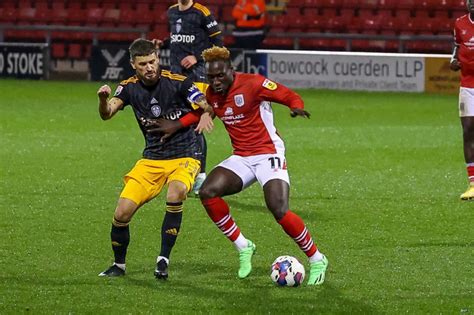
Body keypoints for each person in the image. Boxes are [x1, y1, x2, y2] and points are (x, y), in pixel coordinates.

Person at [199, 46, 328, 285]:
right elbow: (208, 110)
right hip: (242, 157)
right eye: (211, 77)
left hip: (268, 152)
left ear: (231, 70)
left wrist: (295, 106)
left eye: (220, 76)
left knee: (278, 208)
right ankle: (243, 246)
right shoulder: (211, 94)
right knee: (207, 191)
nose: (215, 82)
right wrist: (184, 123)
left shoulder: (253, 83)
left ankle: (317, 258)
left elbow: (286, 94)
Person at [97, 38, 213, 279]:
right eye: (143, 64)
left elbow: (206, 104)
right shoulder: (128, 88)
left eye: (152, 61)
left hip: (185, 155)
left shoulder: (178, 82)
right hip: (151, 159)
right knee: (121, 213)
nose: (150, 67)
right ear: (133, 65)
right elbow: (107, 114)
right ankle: (119, 266)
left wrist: (201, 114)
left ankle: (163, 259)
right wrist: (101, 100)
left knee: (176, 192)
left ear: (158, 59)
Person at [158, 0, 224, 195]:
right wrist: (161, 43)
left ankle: (201, 177)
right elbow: (177, 39)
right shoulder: (171, 12)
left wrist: (198, 57)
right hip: (176, 76)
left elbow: (218, 42)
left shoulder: (202, 12)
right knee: (180, 120)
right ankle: (184, 170)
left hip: (198, 74)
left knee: (196, 123)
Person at [451, 0, 474, 200]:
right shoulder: (459, 23)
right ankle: (473, 184)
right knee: (468, 130)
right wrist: (453, 61)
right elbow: (456, 45)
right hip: (467, 85)